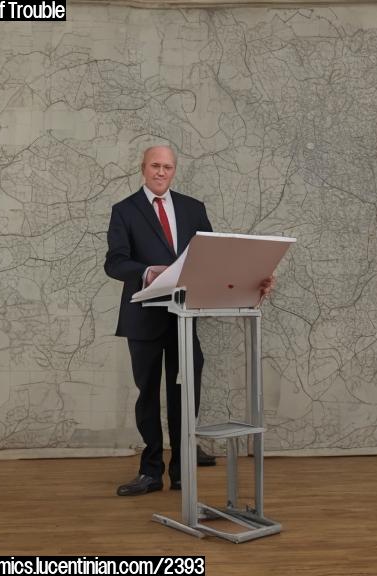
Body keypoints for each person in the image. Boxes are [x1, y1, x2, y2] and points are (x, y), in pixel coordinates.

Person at [105, 146, 274, 496]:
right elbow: (115, 262)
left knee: (185, 393)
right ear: (143, 168)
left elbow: (214, 258)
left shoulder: (192, 208)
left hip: (184, 317)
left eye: (168, 167)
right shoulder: (124, 211)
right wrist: (150, 271)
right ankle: (151, 472)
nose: (161, 172)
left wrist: (252, 280)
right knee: (148, 396)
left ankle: (182, 471)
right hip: (143, 318)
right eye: (155, 166)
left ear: (174, 171)